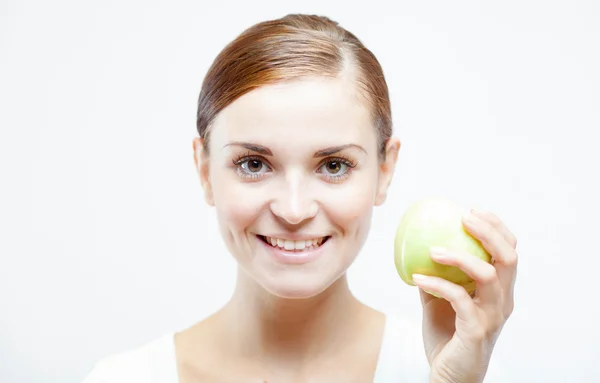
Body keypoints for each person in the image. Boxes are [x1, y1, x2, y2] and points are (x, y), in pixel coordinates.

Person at [82, 13, 518, 382]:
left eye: (333, 166)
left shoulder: (455, 371)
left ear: (385, 170)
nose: (293, 211)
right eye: (254, 164)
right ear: (204, 170)